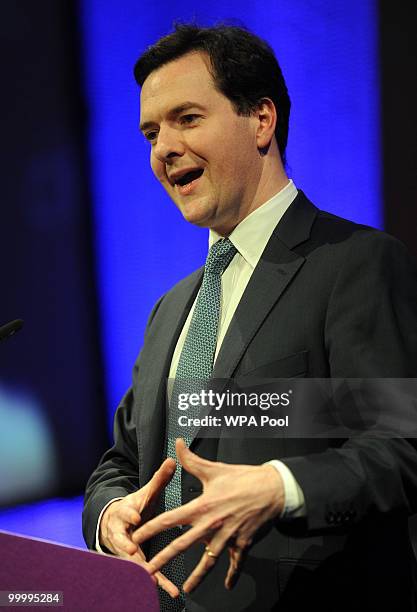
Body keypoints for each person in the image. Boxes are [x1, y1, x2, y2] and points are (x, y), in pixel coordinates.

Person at [83, 24, 417, 611]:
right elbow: (122, 460)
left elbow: (400, 448)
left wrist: (279, 487)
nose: (162, 148)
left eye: (186, 119)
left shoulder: (354, 264)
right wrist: (111, 514)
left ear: (261, 120)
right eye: (151, 132)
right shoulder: (171, 309)